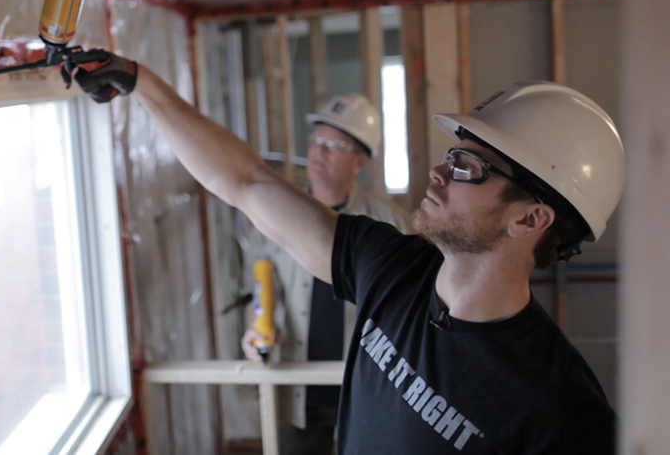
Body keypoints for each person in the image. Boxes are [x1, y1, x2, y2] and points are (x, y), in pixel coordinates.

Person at [63, 50, 620, 453]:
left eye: (467, 168)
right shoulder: (393, 268)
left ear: (530, 218)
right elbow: (247, 184)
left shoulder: (561, 413)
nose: (438, 172)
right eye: (453, 154)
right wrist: (145, 84)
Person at [237, 93, 410, 454]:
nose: (319, 151)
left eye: (334, 144)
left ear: (359, 160)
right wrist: (254, 330)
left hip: (366, 385)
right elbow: (260, 291)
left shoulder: (389, 223)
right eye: (317, 140)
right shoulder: (274, 216)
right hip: (299, 385)